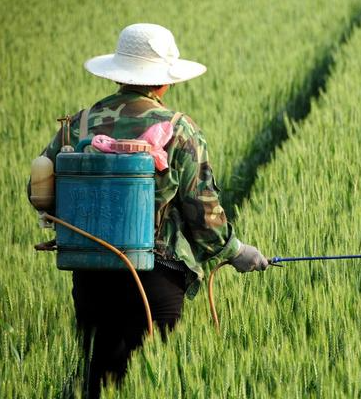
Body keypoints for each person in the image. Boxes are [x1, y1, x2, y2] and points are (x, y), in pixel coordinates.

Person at [29, 23, 268, 398]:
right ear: (163, 82)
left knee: (99, 380)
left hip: (91, 274)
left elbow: (38, 188)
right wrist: (235, 251)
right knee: (155, 384)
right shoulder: (178, 129)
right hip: (156, 278)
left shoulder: (80, 124)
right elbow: (201, 210)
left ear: (120, 75)